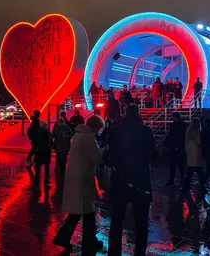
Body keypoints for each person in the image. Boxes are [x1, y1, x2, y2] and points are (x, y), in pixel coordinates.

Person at [107, 105, 158, 256]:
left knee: (116, 220)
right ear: (138, 114)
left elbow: (108, 157)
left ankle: (114, 252)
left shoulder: (115, 130)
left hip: (120, 181)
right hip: (140, 181)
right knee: (141, 222)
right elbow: (153, 155)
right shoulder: (146, 131)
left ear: (124, 114)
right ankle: (139, 252)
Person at [53, 115, 105, 254]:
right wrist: (104, 149)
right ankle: (89, 241)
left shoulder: (77, 135)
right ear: (95, 127)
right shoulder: (88, 138)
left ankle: (64, 237)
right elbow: (96, 156)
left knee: (78, 211)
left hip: (76, 176)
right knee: (87, 211)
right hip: (83, 178)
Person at [165, 111, 187, 186]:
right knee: (176, 165)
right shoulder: (182, 125)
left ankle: (177, 179)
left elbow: (177, 136)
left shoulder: (179, 125)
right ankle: (177, 179)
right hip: (176, 148)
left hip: (177, 148)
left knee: (178, 165)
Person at [182, 118, 205, 191]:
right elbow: (198, 141)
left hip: (189, 151)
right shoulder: (196, 131)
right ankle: (201, 187)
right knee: (197, 170)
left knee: (191, 169)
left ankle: (186, 184)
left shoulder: (188, 130)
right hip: (195, 152)